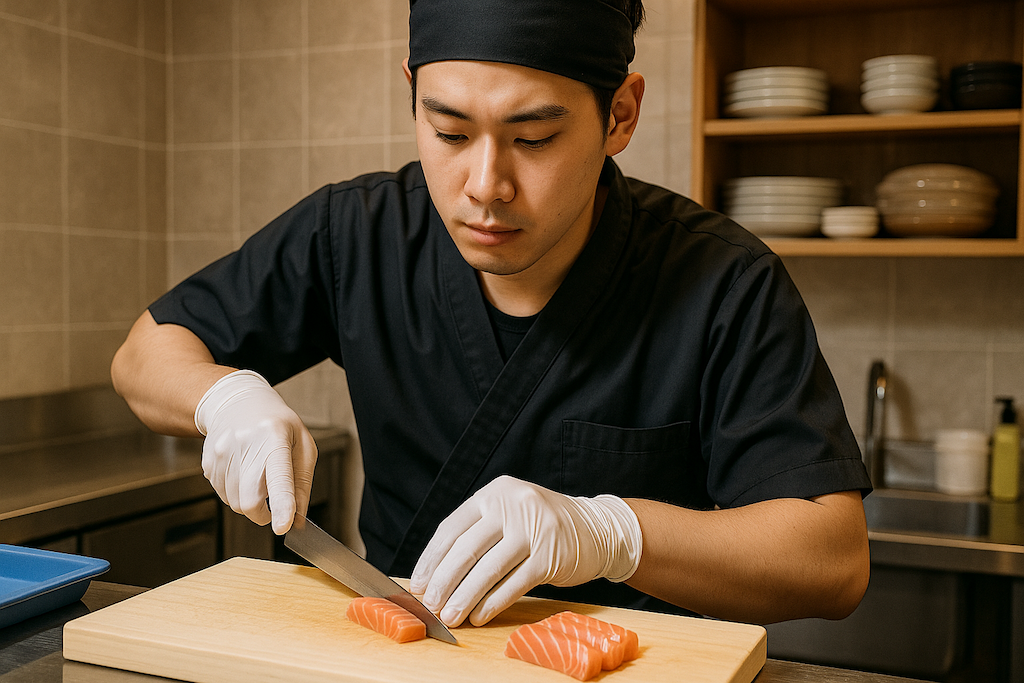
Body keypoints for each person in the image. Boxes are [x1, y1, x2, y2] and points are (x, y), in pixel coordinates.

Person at [111, 0, 872, 629]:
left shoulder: (722, 281)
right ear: (411, 91)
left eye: (533, 138)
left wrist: (611, 531)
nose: (484, 185)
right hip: (408, 655)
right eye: (448, 132)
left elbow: (831, 562)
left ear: (620, 114)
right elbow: (144, 356)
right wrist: (222, 398)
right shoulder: (358, 232)